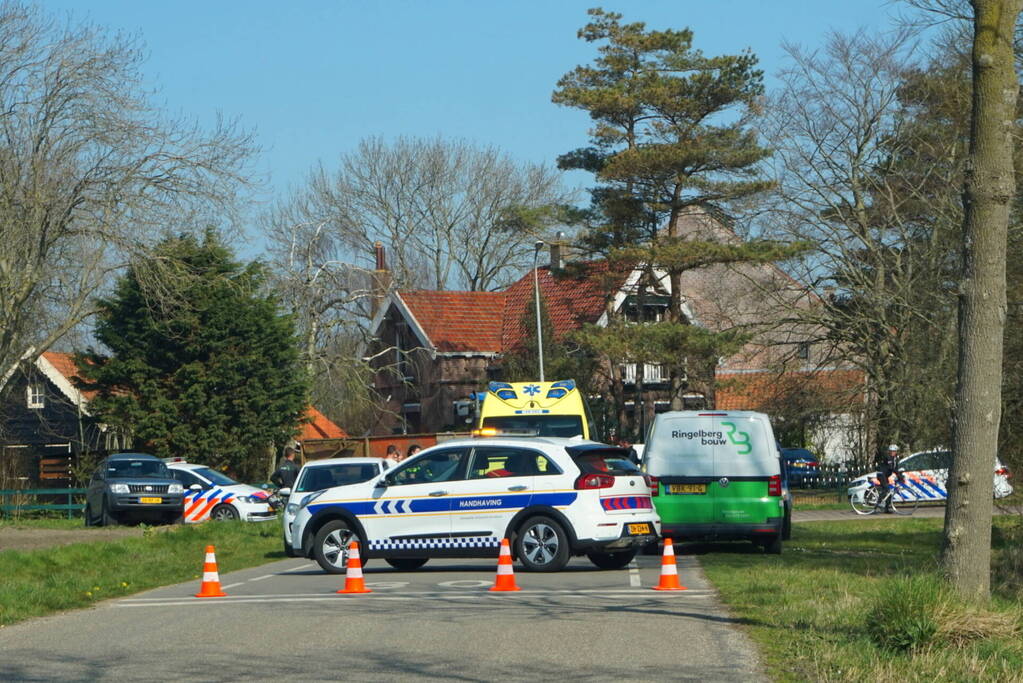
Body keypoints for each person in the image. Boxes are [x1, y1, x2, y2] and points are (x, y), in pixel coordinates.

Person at [876, 444, 904, 513]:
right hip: (881, 474)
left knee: (889, 493)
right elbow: (891, 468)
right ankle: (879, 503)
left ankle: (886, 509)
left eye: (894, 451)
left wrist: (900, 476)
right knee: (886, 489)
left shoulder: (895, 459)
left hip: (886, 476)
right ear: (889, 451)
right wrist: (897, 474)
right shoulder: (888, 458)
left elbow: (896, 468)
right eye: (891, 451)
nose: (892, 452)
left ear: (896, 451)